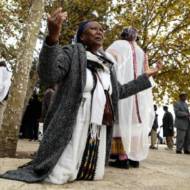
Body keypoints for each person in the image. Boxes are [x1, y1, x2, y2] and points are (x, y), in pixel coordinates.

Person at [0, 8, 162, 183]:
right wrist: (52, 38)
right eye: (93, 28)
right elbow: (49, 74)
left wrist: (145, 77)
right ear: (82, 37)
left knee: (93, 174)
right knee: (59, 175)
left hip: (97, 124)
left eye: (101, 29)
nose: (99, 31)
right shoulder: (72, 53)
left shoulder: (107, 63)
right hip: (73, 119)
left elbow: (119, 92)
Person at [106, 28, 155, 168]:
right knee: (133, 125)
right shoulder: (141, 52)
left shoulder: (117, 45)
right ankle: (134, 157)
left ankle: (122, 157)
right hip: (138, 94)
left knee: (121, 123)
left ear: (122, 35)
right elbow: (146, 73)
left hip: (123, 91)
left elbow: (107, 64)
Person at [0, 61, 12, 128]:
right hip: (5, 98)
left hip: (1, 96)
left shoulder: (1, 71)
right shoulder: (9, 73)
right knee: (1, 115)